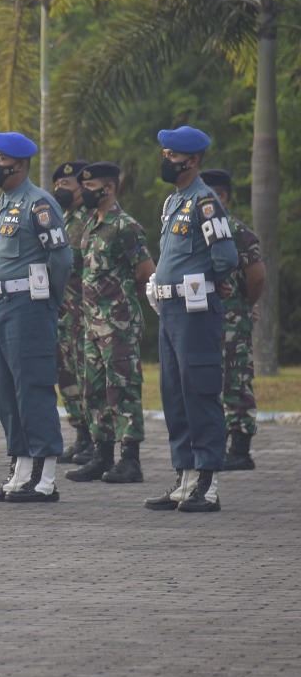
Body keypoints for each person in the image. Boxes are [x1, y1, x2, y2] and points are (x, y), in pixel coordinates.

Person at [143, 127, 239, 513]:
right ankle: (184, 478)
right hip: (169, 311)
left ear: (192, 160)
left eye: (171, 155)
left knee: (199, 391)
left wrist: (211, 284)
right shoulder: (174, 202)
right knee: (174, 394)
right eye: (164, 153)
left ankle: (207, 483)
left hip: (195, 312)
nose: (165, 161)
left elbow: (226, 257)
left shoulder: (205, 201)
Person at [0, 132, 73, 503]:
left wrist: (50, 298)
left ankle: (45, 477)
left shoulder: (39, 203)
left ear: (19, 164)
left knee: (32, 388)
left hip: (28, 305)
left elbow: (61, 258)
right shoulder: (3, 204)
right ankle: (18, 472)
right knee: (7, 393)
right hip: (0, 306)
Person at [65, 162, 154, 484]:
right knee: (95, 391)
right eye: (83, 187)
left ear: (110, 188)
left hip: (118, 324)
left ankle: (130, 460)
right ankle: (102, 456)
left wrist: (118, 301)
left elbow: (146, 271)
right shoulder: (91, 223)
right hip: (91, 323)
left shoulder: (125, 226)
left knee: (124, 390)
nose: (85, 192)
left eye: (91, 187)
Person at [201, 168, 265, 472]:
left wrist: (244, 304)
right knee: (212, 380)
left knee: (236, 379)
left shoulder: (238, 232)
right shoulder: (199, 228)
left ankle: (241, 449)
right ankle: (219, 442)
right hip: (204, 318)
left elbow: (257, 277)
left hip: (231, 318)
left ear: (221, 196)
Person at [50, 160, 92, 465]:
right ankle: (81, 435)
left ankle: (96, 438)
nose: (59, 189)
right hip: (61, 313)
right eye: (58, 185)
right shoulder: (60, 220)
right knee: (67, 377)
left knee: (87, 376)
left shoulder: (90, 219)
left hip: (85, 312)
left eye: (66, 184)